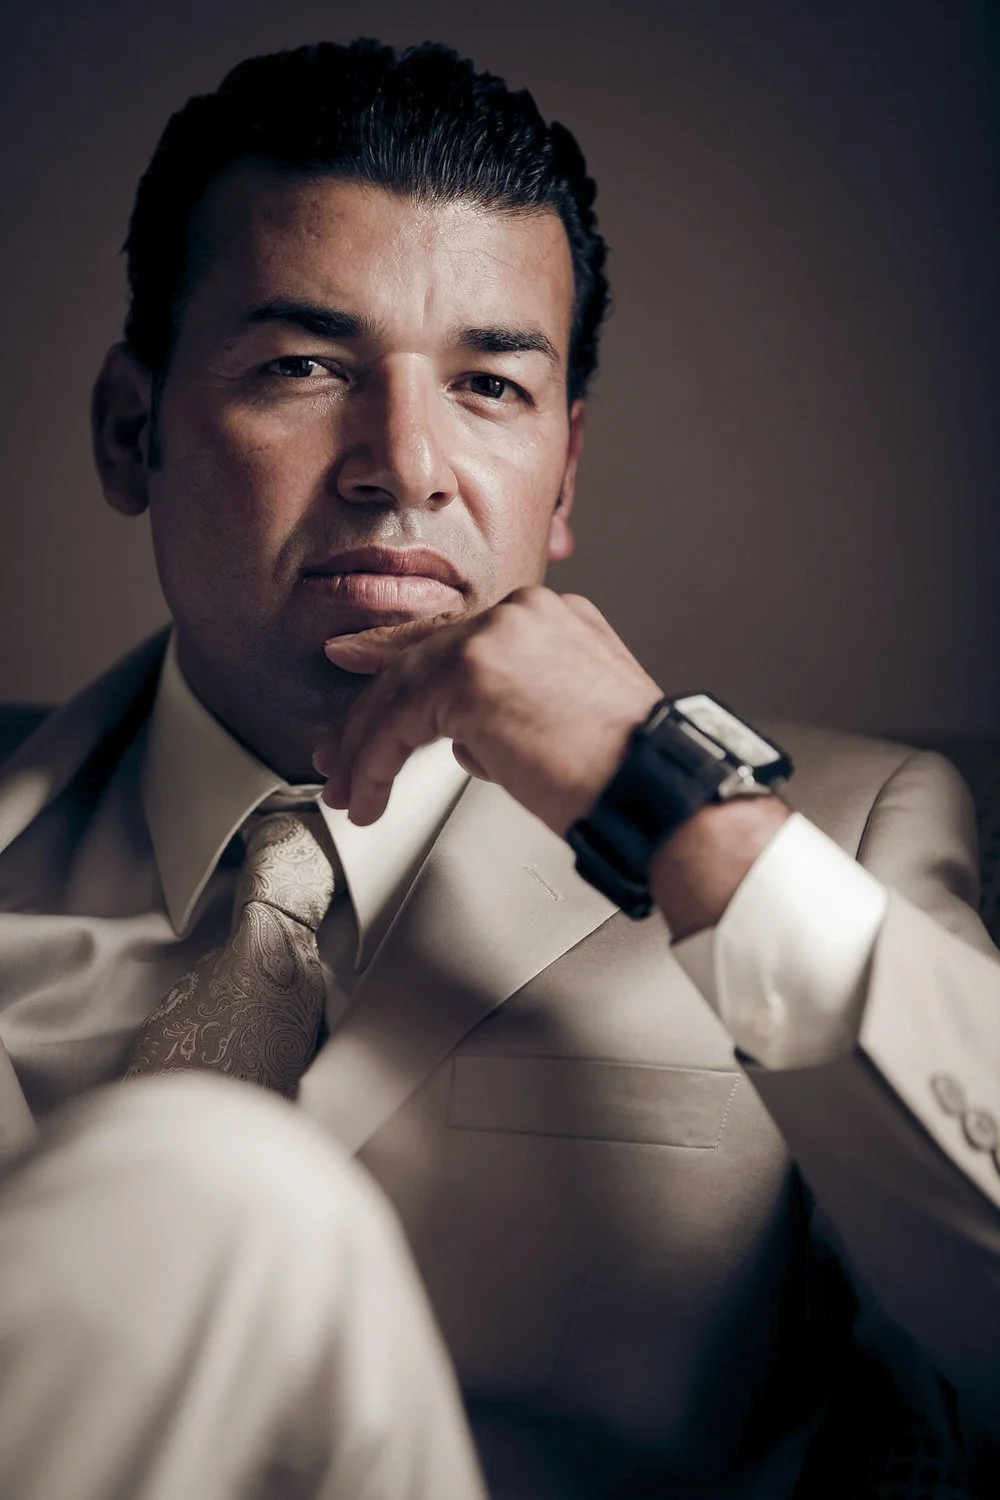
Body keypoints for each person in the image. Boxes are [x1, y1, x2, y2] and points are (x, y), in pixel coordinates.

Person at [0, 36, 997, 1500]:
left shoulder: (848, 833)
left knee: (217, 1176)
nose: (404, 464)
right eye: (302, 367)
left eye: (488, 386)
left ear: (565, 471)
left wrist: (681, 815)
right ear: (130, 431)